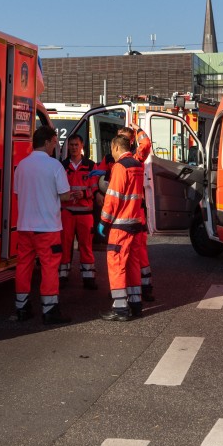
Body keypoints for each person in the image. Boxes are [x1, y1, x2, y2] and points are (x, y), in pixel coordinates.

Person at [11, 126, 80, 324]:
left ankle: (21, 307)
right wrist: (72, 196)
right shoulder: (55, 166)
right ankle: (50, 310)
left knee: (23, 265)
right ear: (48, 141)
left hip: (25, 226)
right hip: (48, 227)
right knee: (49, 267)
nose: (55, 145)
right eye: (55, 142)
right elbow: (65, 195)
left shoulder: (22, 166)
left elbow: (18, 193)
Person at [99, 133, 146, 321]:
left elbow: (113, 197)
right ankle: (135, 304)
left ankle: (120, 308)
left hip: (120, 225)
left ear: (117, 147)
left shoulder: (120, 167)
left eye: (112, 150)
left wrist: (103, 222)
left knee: (117, 264)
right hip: (135, 222)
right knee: (133, 264)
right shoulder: (137, 165)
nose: (112, 153)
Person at [118, 125, 156, 302]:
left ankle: (145, 287)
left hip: (135, 211)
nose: (122, 141)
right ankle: (121, 288)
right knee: (121, 254)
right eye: (120, 138)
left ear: (131, 141)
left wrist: (139, 129)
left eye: (125, 138)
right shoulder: (112, 158)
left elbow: (146, 144)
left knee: (139, 251)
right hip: (119, 213)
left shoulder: (135, 157)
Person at [60, 134, 99, 289]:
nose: (73, 148)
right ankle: (62, 275)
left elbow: (95, 188)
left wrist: (84, 194)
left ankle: (88, 278)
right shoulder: (62, 165)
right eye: (71, 145)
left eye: (76, 145)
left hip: (85, 212)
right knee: (64, 244)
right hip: (67, 212)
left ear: (82, 145)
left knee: (86, 245)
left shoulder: (91, 165)